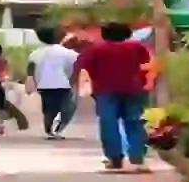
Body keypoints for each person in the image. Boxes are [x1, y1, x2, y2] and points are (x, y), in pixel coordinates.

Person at [72, 22, 152, 171]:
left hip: (105, 90)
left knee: (108, 123)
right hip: (133, 89)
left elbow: (84, 67)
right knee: (134, 122)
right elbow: (147, 63)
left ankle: (114, 158)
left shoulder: (96, 49)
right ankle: (137, 157)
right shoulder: (137, 47)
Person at [25, 33, 81, 139]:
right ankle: (57, 129)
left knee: (49, 109)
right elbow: (76, 67)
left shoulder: (35, 53)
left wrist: (30, 80)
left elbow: (31, 69)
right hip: (63, 84)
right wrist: (73, 81)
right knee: (68, 108)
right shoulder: (69, 53)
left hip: (44, 85)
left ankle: (49, 129)